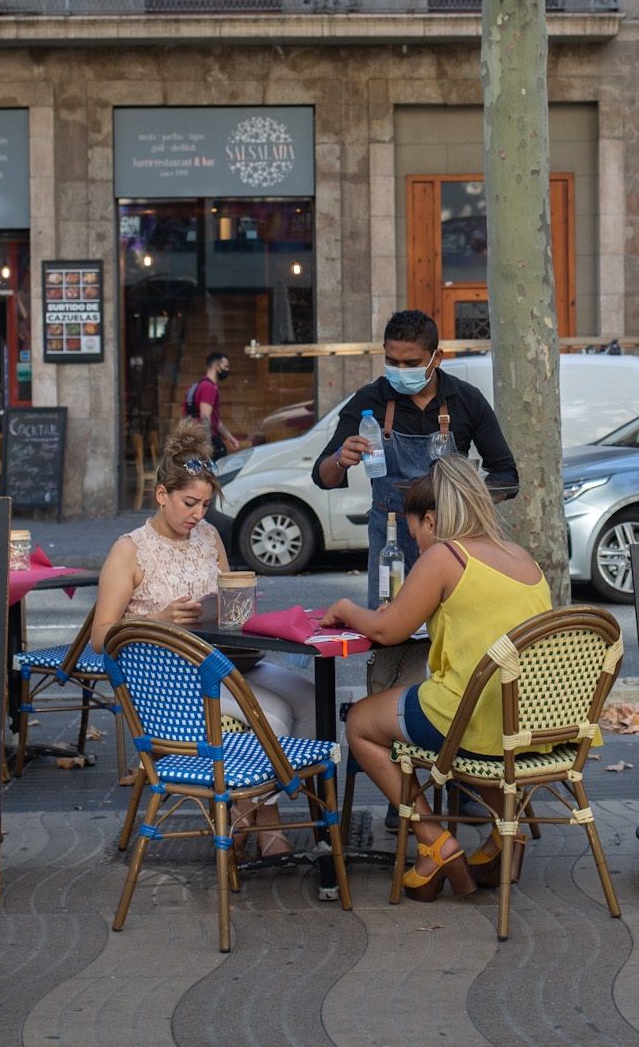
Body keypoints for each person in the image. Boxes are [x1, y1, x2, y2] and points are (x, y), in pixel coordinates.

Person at [321, 455, 552, 900]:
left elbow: (390, 630)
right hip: (526, 719)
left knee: (361, 725)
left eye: (415, 532)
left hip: (467, 717)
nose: (417, 543)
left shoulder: (446, 555)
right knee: (471, 726)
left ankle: (435, 840)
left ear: (430, 519)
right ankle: (506, 833)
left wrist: (347, 610)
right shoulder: (522, 556)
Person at [91, 417, 315, 855]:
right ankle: (265, 820)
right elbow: (101, 638)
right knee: (272, 718)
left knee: (309, 699)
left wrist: (239, 604)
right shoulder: (129, 549)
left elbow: (229, 605)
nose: (198, 515)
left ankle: (271, 804)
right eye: (189, 503)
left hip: (227, 660)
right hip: (168, 681)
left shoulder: (209, 536)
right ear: (162, 495)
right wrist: (159, 619)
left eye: (206, 504)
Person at [311, 309, 518, 608]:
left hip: (453, 537)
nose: (400, 370)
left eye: (411, 364)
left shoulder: (467, 400)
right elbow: (322, 477)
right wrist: (341, 459)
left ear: (436, 358)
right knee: (388, 621)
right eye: (392, 363)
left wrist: (463, 499)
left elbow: (507, 477)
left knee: (450, 621)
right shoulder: (369, 401)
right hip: (391, 536)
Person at [185, 350, 240, 455]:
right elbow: (205, 417)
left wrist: (230, 437)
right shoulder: (208, 387)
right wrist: (207, 447)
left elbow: (215, 421)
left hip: (204, 438)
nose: (227, 370)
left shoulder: (204, 384)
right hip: (207, 440)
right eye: (226, 366)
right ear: (217, 366)